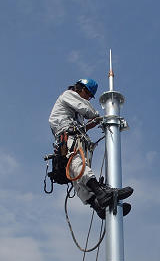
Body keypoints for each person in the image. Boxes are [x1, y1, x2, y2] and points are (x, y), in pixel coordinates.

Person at [49, 78, 133, 219]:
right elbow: (86, 109)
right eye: (88, 94)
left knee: (77, 176)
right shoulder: (69, 95)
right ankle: (100, 192)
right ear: (81, 88)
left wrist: (88, 126)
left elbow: (80, 121)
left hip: (71, 138)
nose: (88, 98)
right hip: (69, 138)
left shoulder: (73, 110)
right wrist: (99, 117)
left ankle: (97, 205)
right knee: (78, 165)